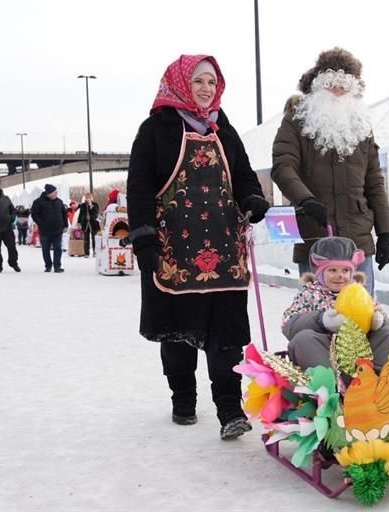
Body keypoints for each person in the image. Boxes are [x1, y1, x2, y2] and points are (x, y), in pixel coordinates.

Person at [127, 55, 270, 440]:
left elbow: (243, 177)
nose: (206, 88)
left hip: (225, 251)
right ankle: (184, 399)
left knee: (227, 332)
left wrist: (252, 199)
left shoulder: (225, 129)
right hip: (173, 251)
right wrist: (144, 238)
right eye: (198, 81)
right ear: (179, 83)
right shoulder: (155, 130)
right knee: (179, 329)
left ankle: (230, 409)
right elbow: (139, 188)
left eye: (211, 82)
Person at [271, 48, 389, 295]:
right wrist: (305, 199)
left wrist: (385, 233)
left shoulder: (361, 126)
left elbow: (374, 183)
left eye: (344, 85)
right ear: (317, 85)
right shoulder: (296, 121)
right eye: (331, 84)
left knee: (359, 312)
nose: (338, 91)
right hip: (315, 240)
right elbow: (283, 167)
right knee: (316, 311)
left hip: (357, 242)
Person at [281, 236, 389, 376]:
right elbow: (289, 326)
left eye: (345, 270)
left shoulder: (358, 292)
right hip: (326, 352)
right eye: (333, 270)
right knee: (303, 339)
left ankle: (379, 379)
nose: (340, 275)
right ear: (320, 273)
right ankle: (327, 382)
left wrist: (378, 320)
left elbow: (386, 324)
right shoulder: (310, 293)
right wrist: (321, 320)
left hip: (361, 354)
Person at [30, 183, 67, 273]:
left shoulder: (59, 201)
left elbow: (64, 214)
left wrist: (65, 225)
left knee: (58, 248)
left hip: (58, 229)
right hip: (45, 230)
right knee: (45, 249)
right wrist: (41, 224)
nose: (56, 193)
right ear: (49, 193)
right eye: (54, 192)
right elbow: (34, 215)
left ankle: (57, 266)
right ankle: (48, 265)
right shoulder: (38, 202)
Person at [0, 181, 20, 273]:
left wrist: (12, 218)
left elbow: (13, 210)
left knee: (12, 247)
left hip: (7, 228)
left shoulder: (6, 198)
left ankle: (13, 263)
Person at [77, 192, 100, 257]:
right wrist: (79, 222)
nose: (88, 199)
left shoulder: (95, 204)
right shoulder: (83, 205)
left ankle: (95, 251)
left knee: (94, 238)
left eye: (89, 197)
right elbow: (81, 214)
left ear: (92, 198)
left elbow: (96, 213)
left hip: (93, 223)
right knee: (86, 239)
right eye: (87, 197)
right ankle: (86, 253)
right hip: (85, 223)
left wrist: (90, 206)